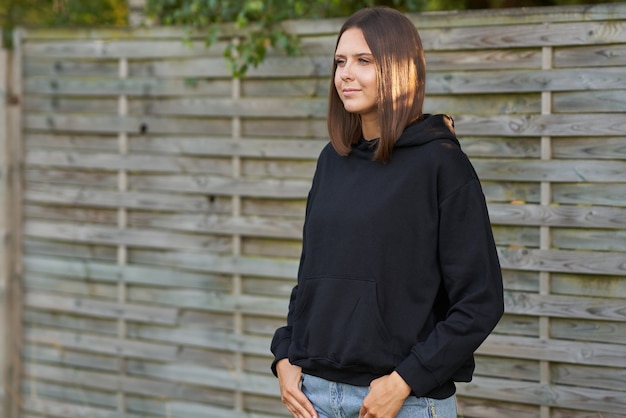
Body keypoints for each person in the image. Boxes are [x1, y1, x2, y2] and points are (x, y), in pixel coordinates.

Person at [270, 6, 504, 418]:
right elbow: (311, 281)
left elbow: (480, 301)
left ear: (400, 68)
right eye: (340, 61)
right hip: (315, 398)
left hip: (404, 403)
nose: (345, 73)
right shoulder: (331, 161)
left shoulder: (441, 164)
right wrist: (285, 357)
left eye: (364, 61)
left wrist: (403, 381)